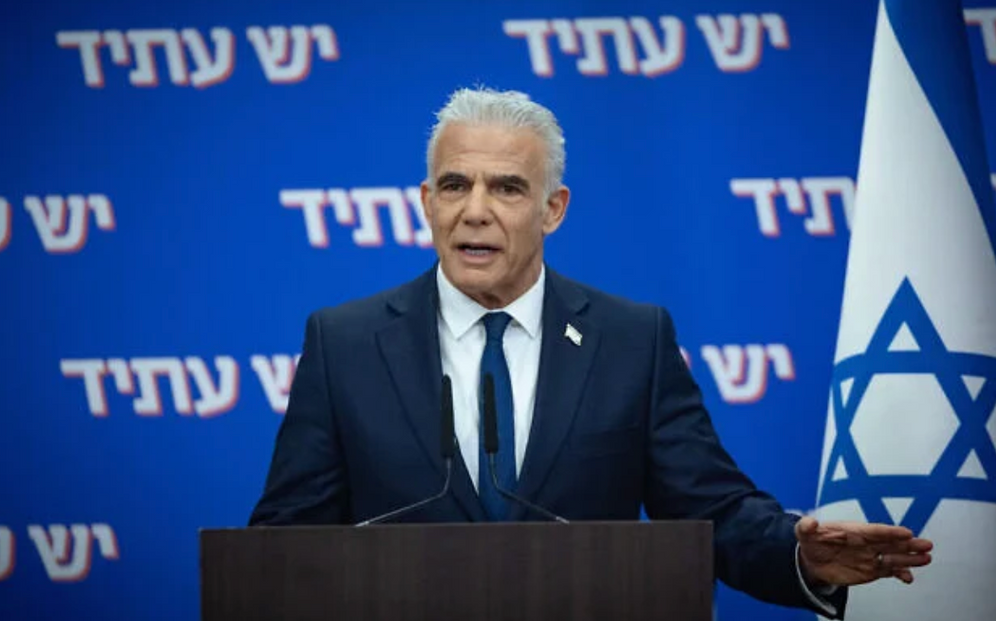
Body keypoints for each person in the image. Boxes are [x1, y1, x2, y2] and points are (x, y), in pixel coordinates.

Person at [249, 87, 932, 618]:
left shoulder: (633, 340)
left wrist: (798, 554)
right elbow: (281, 545)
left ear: (553, 210)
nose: (475, 209)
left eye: (508, 187)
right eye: (455, 185)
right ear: (427, 203)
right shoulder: (345, 343)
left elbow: (711, 511)